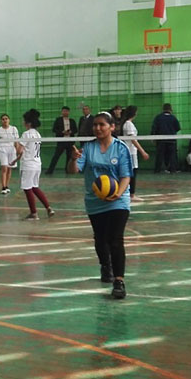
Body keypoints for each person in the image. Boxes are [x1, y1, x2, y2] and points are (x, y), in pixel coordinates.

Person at [70, 112, 132, 299]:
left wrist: (118, 194)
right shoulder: (88, 148)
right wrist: (74, 159)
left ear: (112, 127)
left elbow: (126, 176)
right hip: (95, 201)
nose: (97, 128)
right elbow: (74, 170)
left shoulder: (120, 148)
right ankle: (106, 265)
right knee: (100, 238)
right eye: (95, 125)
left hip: (118, 200)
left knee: (116, 239)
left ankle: (119, 281)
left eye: (101, 125)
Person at [17, 109, 54, 220]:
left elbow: (19, 150)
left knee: (27, 188)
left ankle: (34, 213)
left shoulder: (26, 134)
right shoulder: (37, 134)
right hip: (37, 164)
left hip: (28, 165)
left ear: (28, 123)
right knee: (34, 187)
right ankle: (48, 208)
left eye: (24, 120)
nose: (23, 122)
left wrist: (15, 142)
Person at [120, 106, 150, 197]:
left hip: (131, 151)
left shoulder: (128, 123)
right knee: (132, 172)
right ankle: (131, 194)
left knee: (132, 171)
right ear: (134, 113)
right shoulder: (128, 124)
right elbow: (133, 139)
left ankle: (130, 193)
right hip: (130, 152)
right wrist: (143, 152)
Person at [0, 114, 21, 195]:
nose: (5, 120)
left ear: (9, 120)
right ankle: (3, 187)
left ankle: (6, 185)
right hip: (2, 149)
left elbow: (16, 141)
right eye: (3, 119)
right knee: (4, 168)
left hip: (12, 149)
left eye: (6, 119)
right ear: (1, 121)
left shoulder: (14, 129)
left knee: (9, 168)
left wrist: (18, 150)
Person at [45, 106, 77, 175]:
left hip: (70, 141)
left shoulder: (72, 121)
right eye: (64, 111)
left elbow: (75, 130)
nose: (65, 112)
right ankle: (50, 171)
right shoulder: (58, 120)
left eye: (66, 111)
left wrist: (70, 132)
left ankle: (68, 170)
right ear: (62, 112)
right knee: (56, 156)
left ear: (69, 112)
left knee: (69, 157)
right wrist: (62, 132)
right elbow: (54, 129)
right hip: (61, 141)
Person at [150, 103, 181, 173]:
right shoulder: (173, 118)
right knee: (172, 156)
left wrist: (152, 137)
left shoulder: (158, 117)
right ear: (170, 109)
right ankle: (173, 170)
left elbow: (154, 128)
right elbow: (178, 128)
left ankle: (157, 170)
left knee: (159, 156)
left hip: (161, 140)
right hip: (171, 140)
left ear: (163, 109)